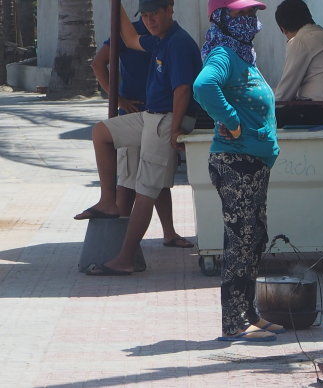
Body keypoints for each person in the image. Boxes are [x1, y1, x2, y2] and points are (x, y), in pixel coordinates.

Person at [74, 0, 202, 275]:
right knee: (101, 132)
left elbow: (182, 90)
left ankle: (125, 258)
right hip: (150, 115)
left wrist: (176, 128)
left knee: (146, 189)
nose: (149, 20)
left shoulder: (178, 43)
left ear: (169, 9)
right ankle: (108, 200)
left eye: (154, 13)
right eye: (144, 15)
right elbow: (130, 38)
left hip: (167, 118)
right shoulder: (159, 40)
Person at [193, 0, 281, 341]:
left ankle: (249, 313)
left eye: (252, 13)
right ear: (220, 18)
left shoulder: (243, 54)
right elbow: (203, 86)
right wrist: (230, 120)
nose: (248, 20)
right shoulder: (223, 55)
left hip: (252, 163)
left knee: (254, 238)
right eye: (239, 14)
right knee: (240, 240)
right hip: (236, 163)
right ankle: (233, 323)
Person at [273, 0, 323, 127]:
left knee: (261, 117)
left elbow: (284, 93)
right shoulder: (321, 34)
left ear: (283, 29)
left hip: (319, 112)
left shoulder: (300, 41)